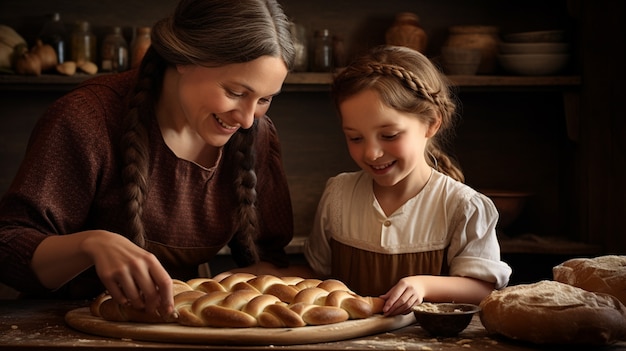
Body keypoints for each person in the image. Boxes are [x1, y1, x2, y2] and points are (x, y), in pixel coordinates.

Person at [0, 0, 296, 320]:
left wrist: (233, 284)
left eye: (265, 99)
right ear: (184, 58)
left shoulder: (256, 134)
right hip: (64, 323)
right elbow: (8, 246)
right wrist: (92, 246)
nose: (249, 119)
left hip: (181, 325)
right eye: (236, 92)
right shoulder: (87, 118)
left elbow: (271, 261)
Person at [302, 45, 512, 316]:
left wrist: (422, 285)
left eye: (389, 135)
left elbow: (484, 290)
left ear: (431, 124)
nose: (371, 153)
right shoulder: (338, 194)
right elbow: (316, 274)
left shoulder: (463, 205)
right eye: (355, 138)